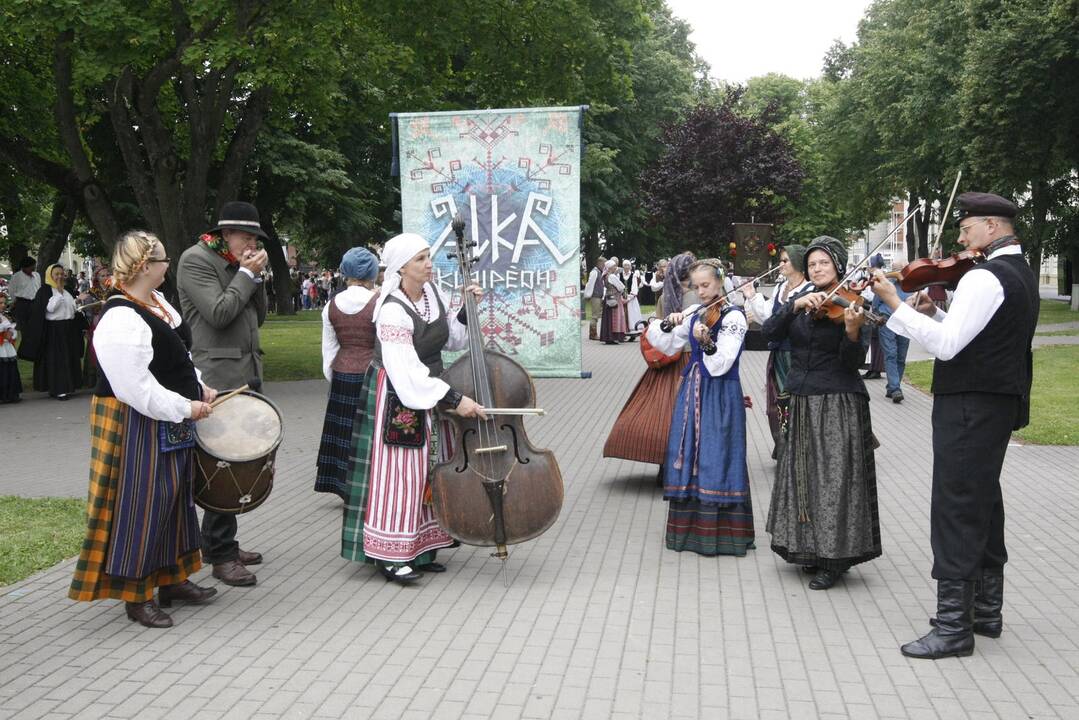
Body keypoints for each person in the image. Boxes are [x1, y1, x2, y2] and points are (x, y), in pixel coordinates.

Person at [871, 192, 1039, 660]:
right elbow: (971, 334)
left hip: (970, 404)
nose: (960, 237)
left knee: (956, 505)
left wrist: (894, 302)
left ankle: (953, 627)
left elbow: (947, 348)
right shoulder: (1018, 272)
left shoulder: (986, 276)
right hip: (995, 401)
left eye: (967, 228)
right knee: (983, 500)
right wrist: (934, 313)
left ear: (991, 226)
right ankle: (985, 611)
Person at [68, 230, 218, 628]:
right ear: (147, 266)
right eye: (164, 260)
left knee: (174, 498)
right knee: (140, 503)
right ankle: (136, 594)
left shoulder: (157, 303)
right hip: (135, 421)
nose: (168, 266)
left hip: (167, 416)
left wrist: (198, 384)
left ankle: (172, 578)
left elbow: (177, 355)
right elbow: (134, 387)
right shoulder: (119, 318)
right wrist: (186, 406)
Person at [340, 233, 485, 583]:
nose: (429, 264)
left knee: (429, 468)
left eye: (428, 257)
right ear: (402, 266)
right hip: (398, 394)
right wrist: (453, 399)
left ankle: (421, 548)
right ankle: (390, 555)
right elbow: (404, 369)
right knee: (401, 474)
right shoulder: (391, 309)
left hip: (429, 387)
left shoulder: (432, 295)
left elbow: (450, 339)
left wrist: (466, 313)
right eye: (421, 259)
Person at [763, 236, 881, 591]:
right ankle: (809, 548)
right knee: (803, 476)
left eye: (824, 264)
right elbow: (768, 334)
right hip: (799, 397)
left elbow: (852, 362)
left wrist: (851, 329)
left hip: (837, 400)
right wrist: (794, 306)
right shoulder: (803, 300)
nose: (817, 269)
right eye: (812, 264)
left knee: (833, 480)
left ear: (839, 267)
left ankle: (835, 559)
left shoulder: (852, 304)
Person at [177, 200, 268, 587]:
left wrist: (254, 278)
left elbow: (256, 316)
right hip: (217, 375)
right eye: (247, 236)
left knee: (239, 462)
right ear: (224, 234)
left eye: (255, 238)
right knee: (222, 466)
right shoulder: (196, 260)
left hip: (246, 371)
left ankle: (218, 543)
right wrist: (246, 273)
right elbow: (218, 313)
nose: (252, 243)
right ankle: (220, 554)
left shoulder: (234, 264)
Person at [645, 259, 753, 556]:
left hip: (720, 394)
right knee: (691, 450)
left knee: (717, 451)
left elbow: (722, 363)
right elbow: (664, 344)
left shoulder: (734, 317)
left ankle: (721, 535)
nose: (701, 292)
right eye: (696, 286)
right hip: (692, 390)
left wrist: (706, 343)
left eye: (706, 285)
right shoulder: (696, 312)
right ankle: (688, 532)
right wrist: (669, 322)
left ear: (720, 283)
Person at [602, 252, 695, 475]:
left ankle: (664, 465)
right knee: (686, 412)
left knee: (661, 412)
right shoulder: (695, 297)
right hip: (689, 359)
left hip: (667, 360)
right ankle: (685, 463)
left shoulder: (666, 295)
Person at [315, 247, 379, 500]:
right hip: (372, 375)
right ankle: (372, 485)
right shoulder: (379, 302)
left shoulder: (331, 305)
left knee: (343, 433)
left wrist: (335, 378)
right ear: (372, 272)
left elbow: (328, 351)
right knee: (369, 434)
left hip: (342, 375)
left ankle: (342, 484)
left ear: (345, 272)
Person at [743, 245, 812, 458]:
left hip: (799, 355)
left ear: (798, 263)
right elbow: (768, 318)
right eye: (780, 260)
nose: (780, 264)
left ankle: (799, 447)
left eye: (785, 260)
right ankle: (784, 444)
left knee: (795, 400)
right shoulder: (779, 288)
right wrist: (752, 295)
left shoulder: (810, 289)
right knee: (778, 402)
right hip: (779, 354)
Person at [19, 263, 84, 399]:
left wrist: (77, 302)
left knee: (68, 357)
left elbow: (71, 310)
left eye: (61, 274)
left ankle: (69, 386)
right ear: (50, 276)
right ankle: (59, 389)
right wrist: (58, 293)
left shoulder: (67, 291)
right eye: (56, 274)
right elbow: (50, 309)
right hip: (54, 329)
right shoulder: (45, 291)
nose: (60, 277)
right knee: (58, 360)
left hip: (67, 328)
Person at [871, 259, 911, 403]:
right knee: (891, 354)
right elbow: (875, 303)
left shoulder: (911, 285)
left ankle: (893, 386)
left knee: (901, 356)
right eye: (895, 269)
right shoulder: (886, 284)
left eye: (899, 268)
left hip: (905, 323)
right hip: (887, 320)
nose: (896, 272)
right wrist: (877, 316)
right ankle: (895, 389)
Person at [861, 254, 886, 380]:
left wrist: (863, 295)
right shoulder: (873, 276)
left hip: (877, 312)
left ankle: (876, 369)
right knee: (873, 342)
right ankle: (872, 368)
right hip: (873, 311)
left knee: (877, 343)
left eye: (869, 266)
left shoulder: (879, 277)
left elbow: (874, 295)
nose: (868, 269)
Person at [598, 259, 627, 344]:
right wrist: (622, 292)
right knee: (616, 317)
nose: (615, 267)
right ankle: (613, 337)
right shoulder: (612, 276)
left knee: (608, 318)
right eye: (614, 266)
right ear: (610, 268)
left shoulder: (605, 275)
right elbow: (621, 287)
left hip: (608, 298)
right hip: (615, 299)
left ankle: (608, 336)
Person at [8, 256, 41, 332]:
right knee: (23, 326)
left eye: (34, 266)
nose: (34, 268)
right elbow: (11, 291)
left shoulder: (37, 275)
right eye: (32, 266)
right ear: (25, 267)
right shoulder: (16, 277)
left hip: (35, 303)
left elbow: (39, 288)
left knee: (35, 325)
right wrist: (16, 302)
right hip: (22, 303)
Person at [0, 293, 22, 403]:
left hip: (7, 346)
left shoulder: (6, 316)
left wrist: (11, 332)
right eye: (0, 303)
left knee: (10, 370)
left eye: (4, 303)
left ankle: (11, 394)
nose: (3, 305)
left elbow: (13, 333)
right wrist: (4, 328)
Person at [582, 256, 607, 340]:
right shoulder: (595, 272)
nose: (605, 267)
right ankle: (593, 334)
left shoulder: (599, 272)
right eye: (604, 264)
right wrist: (588, 295)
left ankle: (593, 333)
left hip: (598, 296)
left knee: (596, 315)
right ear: (600, 263)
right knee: (594, 316)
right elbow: (590, 284)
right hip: (595, 296)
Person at [621, 259, 643, 338]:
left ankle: (632, 334)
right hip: (622, 299)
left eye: (628, 265)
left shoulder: (633, 275)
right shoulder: (620, 275)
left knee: (632, 315)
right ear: (623, 266)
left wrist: (629, 298)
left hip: (631, 300)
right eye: (625, 265)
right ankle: (623, 332)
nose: (626, 267)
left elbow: (634, 288)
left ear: (630, 267)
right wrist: (621, 297)